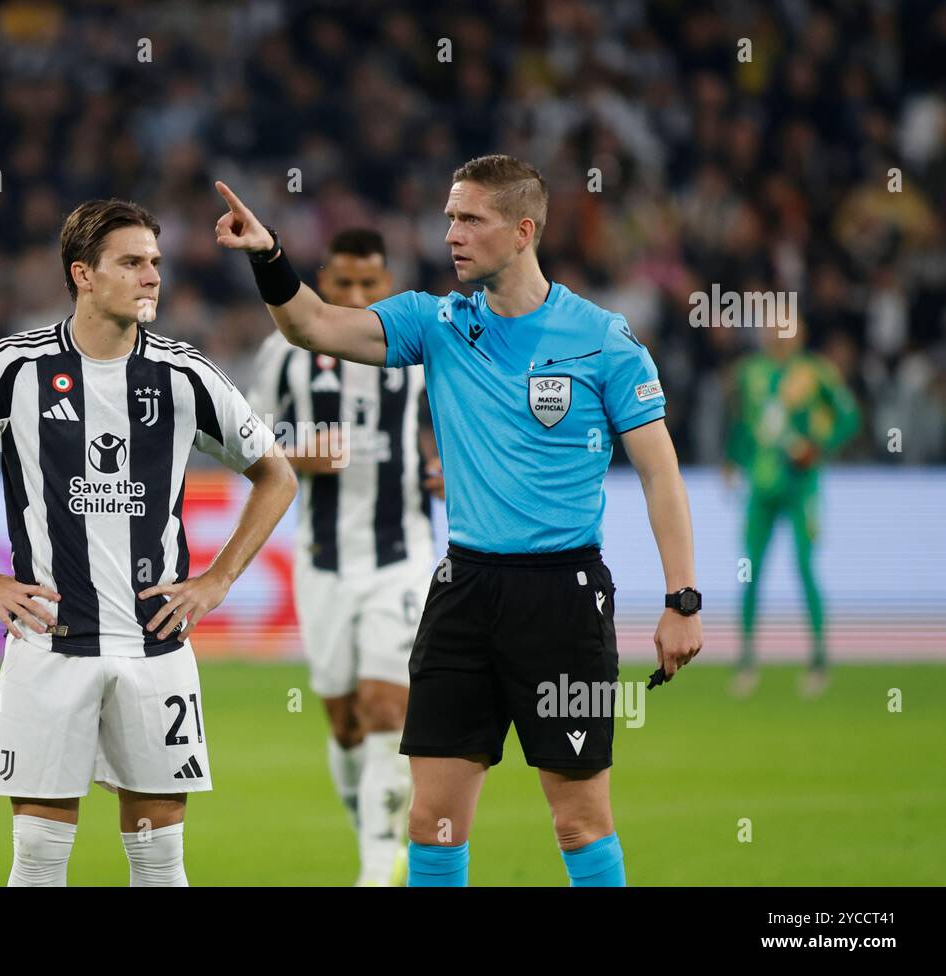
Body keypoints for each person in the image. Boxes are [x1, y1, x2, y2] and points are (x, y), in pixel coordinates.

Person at [213, 154, 702, 887]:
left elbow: (661, 473)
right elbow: (313, 325)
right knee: (431, 824)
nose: (452, 233)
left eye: (471, 218)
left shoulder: (603, 340)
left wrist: (681, 599)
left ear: (523, 230)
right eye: (449, 217)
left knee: (578, 820)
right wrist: (270, 256)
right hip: (463, 589)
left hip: (563, 598)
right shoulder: (434, 323)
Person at [0, 199, 296, 886]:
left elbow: (276, 476)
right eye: (132, 263)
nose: (151, 278)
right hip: (50, 645)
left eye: (156, 264)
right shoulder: (14, 367)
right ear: (83, 274)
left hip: (156, 649)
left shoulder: (184, 374)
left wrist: (217, 581)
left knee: (160, 863)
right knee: (40, 861)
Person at [246, 228, 442, 885]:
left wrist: (446, 468)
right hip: (323, 558)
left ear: (388, 286)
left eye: (370, 285)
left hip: (403, 556)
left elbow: (455, 434)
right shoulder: (283, 355)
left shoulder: (419, 350)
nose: (357, 296)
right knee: (344, 721)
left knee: (388, 708)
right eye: (344, 284)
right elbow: (247, 446)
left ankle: (373, 870)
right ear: (323, 283)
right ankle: (379, 842)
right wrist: (299, 456)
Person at [724, 313, 860, 698]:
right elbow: (744, 423)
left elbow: (849, 417)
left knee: (803, 566)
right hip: (761, 486)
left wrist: (818, 448)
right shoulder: (750, 372)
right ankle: (747, 661)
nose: (778, 335)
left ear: (800, 331)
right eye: (772, 327)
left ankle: (818, 661)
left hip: (801, 487)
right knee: (749, 571)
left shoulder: (817, 373)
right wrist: (733, 460)